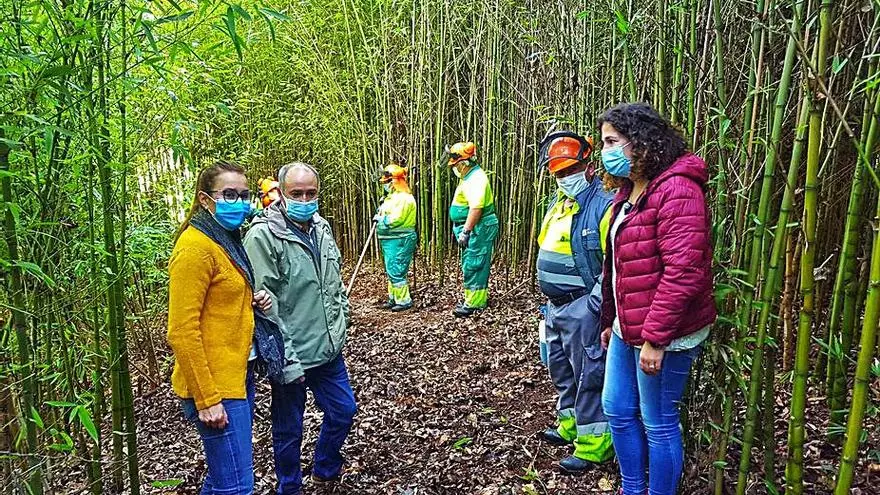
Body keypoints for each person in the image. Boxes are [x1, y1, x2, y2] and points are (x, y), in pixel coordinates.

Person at [598, 103, 716, 495]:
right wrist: (609, 320)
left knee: (659, 420)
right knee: (617, 409)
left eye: (612, 141)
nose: (605, 151)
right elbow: (619, 264)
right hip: (627, 325)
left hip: (667, 332)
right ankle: (632, 489)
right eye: (604, 143)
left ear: (641, 141)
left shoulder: (678, 189)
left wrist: (655, 339)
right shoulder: (629, 190)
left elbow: (684, 271)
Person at [244, 162, 357, 495]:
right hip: (289, 352)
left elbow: (333, 282)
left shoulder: (321, 226)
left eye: (311, 193)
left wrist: (342, 318)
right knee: (288, 428)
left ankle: (325, 466)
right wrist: (287, 359)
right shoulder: (263, 236)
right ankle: (290, 486)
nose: (305, 200)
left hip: (326, 347)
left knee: (344, 410)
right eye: (297, 193)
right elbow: (265, 307)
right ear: (282, 193)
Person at [167, 160, 275, 494]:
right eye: (229, 195)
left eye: (243, 195)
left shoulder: (224, 239)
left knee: (222, 480)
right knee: (237, 487)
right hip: (215, 385)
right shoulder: (195, 248)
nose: (239, 202)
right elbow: (181, 330)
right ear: (205, 199)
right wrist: (207, 400)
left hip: (237, 373)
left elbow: (218, 304)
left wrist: (251, 301)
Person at [536, 132, 614, 473]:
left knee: (589, 375)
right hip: (555, 306)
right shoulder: (560, 202)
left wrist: (594, 305)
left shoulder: (604, 204)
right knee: (562, 370)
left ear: (588, 167)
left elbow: (614, 263)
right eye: (558, 173)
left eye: (570, 170)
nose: (564, 177)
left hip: (582, 305)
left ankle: (594, 445)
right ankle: (568, 425)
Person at [446, 141, 499, 317]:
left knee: (475, 264)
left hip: (478, 227)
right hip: (475, 227)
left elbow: (476, 208)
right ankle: (473, 299)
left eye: (456, 164)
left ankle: (475, 304)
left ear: (463, 163)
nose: (454, 168)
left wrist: (466, 231)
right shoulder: (468, 177)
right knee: (471, 263)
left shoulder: (476, 179)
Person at [373, 162, 417, 311]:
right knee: (391, 269)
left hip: (400, 239)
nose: (386, 185)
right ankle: (394, 298)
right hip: (391, 240)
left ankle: (404, 301)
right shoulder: (391, 197)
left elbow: (397, 218)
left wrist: (383, 220)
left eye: (388, 182)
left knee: (396, 269)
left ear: (395, 181)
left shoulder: (404, 198)